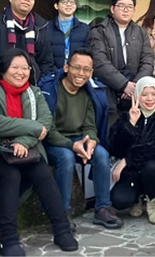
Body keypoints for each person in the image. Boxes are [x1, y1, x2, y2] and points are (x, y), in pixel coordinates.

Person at [0, 49, 77, 256]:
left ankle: (62, 229)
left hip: (28, 149)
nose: (21, 72)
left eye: (25, 68)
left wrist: (22, 141)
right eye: (15, 67)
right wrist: (33, 128)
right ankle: (8, 239)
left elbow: (45, 122)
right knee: (10, 176)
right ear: (3, 69)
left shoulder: (34, 92)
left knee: (43, 173)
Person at [40, 48, 123, 230]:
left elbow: (89, 125)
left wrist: (91, 141)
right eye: (77, 68)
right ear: (66, 67)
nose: (81, 74)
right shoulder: (50, 90)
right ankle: (62, 214)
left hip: (78, 139)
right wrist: (72, 145)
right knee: (66, 157)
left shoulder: (89, 92)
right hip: (54, 142)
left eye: (86, 70)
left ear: (91, 72)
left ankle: (102, 208)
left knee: (101, 154)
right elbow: (48, 129)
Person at [108, 77, 155, 225]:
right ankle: (138, 198)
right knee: (119, 200)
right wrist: (131, 124)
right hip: (133, 173)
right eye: (144, 94)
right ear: (137, 96)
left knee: (152, 166)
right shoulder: (127, 114)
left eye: (154, 94)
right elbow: (115, 148)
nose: (149, 99)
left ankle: (154, 202)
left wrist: (129, 159)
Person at [88, 0, 154, 115]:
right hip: (108, 92)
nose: (126, 10)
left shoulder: (141, 32)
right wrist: (123, 85)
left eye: (130, 7)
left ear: (134, 10)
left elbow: (148, 61)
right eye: (121, 6)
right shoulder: (99, 31)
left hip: (136, 93)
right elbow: (99, 62)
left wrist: (135, 87)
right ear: (112, 9)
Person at [44, 0, 90, 70]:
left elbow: (87, 54)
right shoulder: (46, 28)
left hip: (76, 72)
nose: (69, 5)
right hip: (53, 72)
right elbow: (44, 56)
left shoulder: (85, 29)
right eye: (64, 2)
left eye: (72, 2)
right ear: (56, 6)